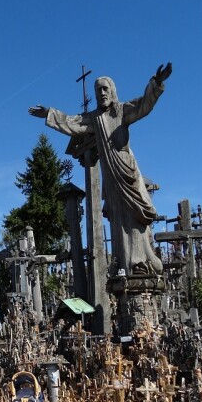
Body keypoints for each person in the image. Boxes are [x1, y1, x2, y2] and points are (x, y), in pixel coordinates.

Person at [29, 63, 172, 276]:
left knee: (135, 217)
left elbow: (144, 106)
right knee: (118, 219)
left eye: (105, 89)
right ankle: (124, 262)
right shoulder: (95, 119)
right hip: (111, 178)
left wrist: (157, 83)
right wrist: (49, 113)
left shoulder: (122, 111)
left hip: (128, 174)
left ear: (112, 91)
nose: (101, 93)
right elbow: (72, 123)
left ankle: (142, 260)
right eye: (98, 90)